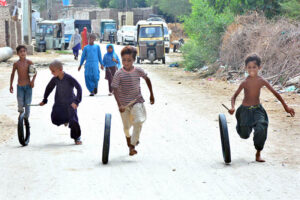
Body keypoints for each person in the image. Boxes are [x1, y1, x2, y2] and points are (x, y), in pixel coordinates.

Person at [229, 54, 295, 162]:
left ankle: (258, 153)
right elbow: (234, 97)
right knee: (244, 135)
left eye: (254, 67)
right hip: (244, 110)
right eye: (249, 67)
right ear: (246, 68)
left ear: (259, 68)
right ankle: (241, 126)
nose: (251, 69)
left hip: (257, 109)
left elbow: (276, 94)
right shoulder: (244, 83)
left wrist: (286, 107)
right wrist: (232, 107)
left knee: (262, 127)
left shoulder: (261, 81)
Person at [112, 46, 155, 156]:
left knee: (138, 120)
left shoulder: (138, 71)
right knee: (126, 128)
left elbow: (147, 79)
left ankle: (132, 145)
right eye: (124, 60)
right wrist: (120, 105)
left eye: (129, 60)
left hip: (136, 101)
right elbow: (115, 89)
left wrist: (151, 95)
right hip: (124, 105)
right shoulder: (119, 74)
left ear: (134, 60)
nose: (126, 63)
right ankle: (131, 142)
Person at [40, 60, 82, 145]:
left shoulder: (69, 78)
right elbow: (49, 88)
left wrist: (76, 102)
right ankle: (66, 120)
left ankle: (77, 137)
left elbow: (79, 88)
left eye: (53, 71)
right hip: (59, 103)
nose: (52, 73)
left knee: (73, 120)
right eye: (51, 71)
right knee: (54, 119)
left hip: (70, 103)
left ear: (60, 69)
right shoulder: (55, 79)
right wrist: (45, 99)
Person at [10, 45, 37, 124]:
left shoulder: (29, 62)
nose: (23, 53)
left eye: (24, 51)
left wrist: (32, 81)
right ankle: (21, 114)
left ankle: (26, 118)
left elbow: (35, 73)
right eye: (20, 51)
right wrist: (11, 85)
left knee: (27, 104)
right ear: (17, 53)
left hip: (28, 86)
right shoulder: (16, 64)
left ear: (26, 52)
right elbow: (12, 74)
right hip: (20, 87)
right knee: (20, 103)